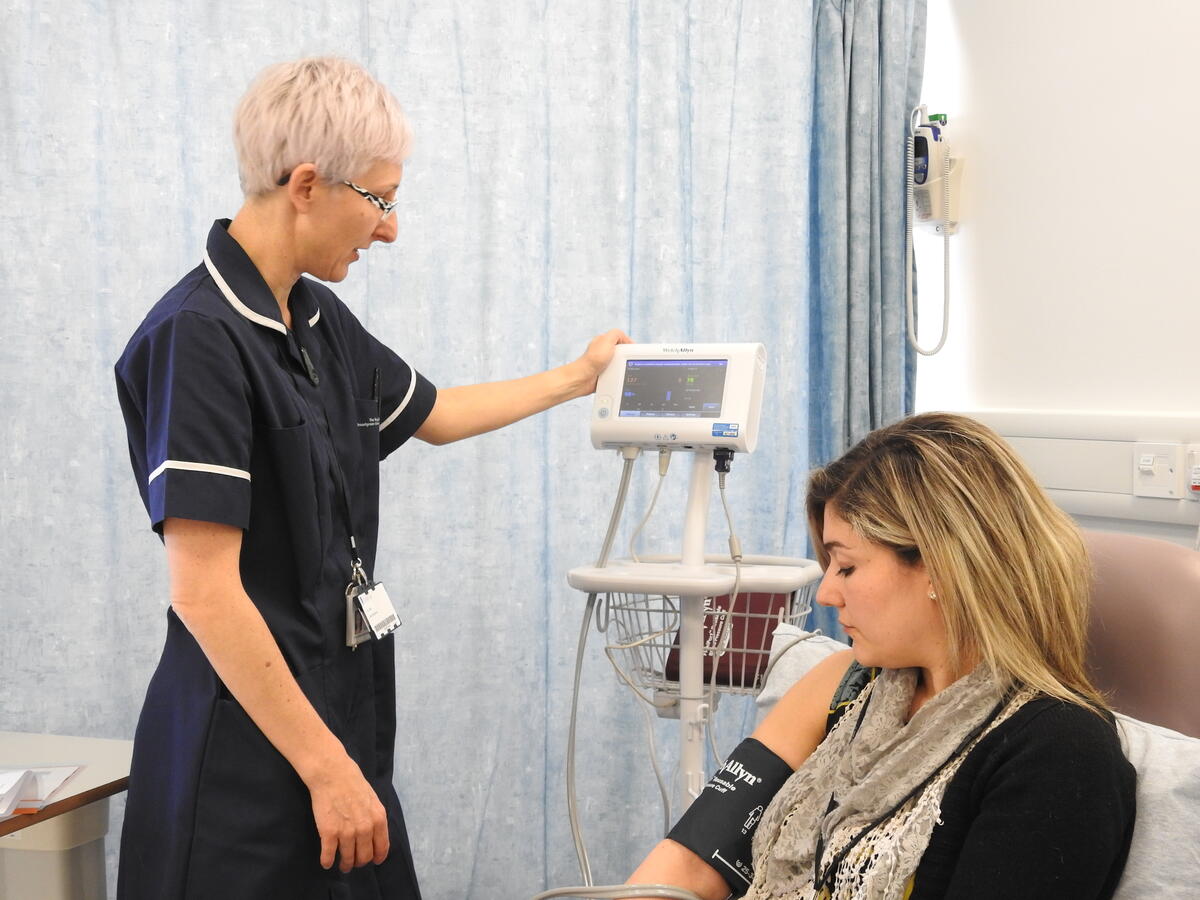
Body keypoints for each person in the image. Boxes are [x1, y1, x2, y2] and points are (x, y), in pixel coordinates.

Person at [113, 57, 628, 899]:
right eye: (381, 200)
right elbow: (204, 593)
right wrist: (328, 772)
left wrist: (579, 377)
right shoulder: (199, 337)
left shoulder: (313, 317)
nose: (390, 229)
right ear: (308, 184)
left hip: (334, 721)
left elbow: (438, 414)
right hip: (246, 749)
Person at [626, 413, 1136, 899]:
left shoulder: (1061, 756)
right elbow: (693, 861)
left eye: (845, 567)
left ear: (941, 566)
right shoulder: (845, 684)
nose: (826, 594)